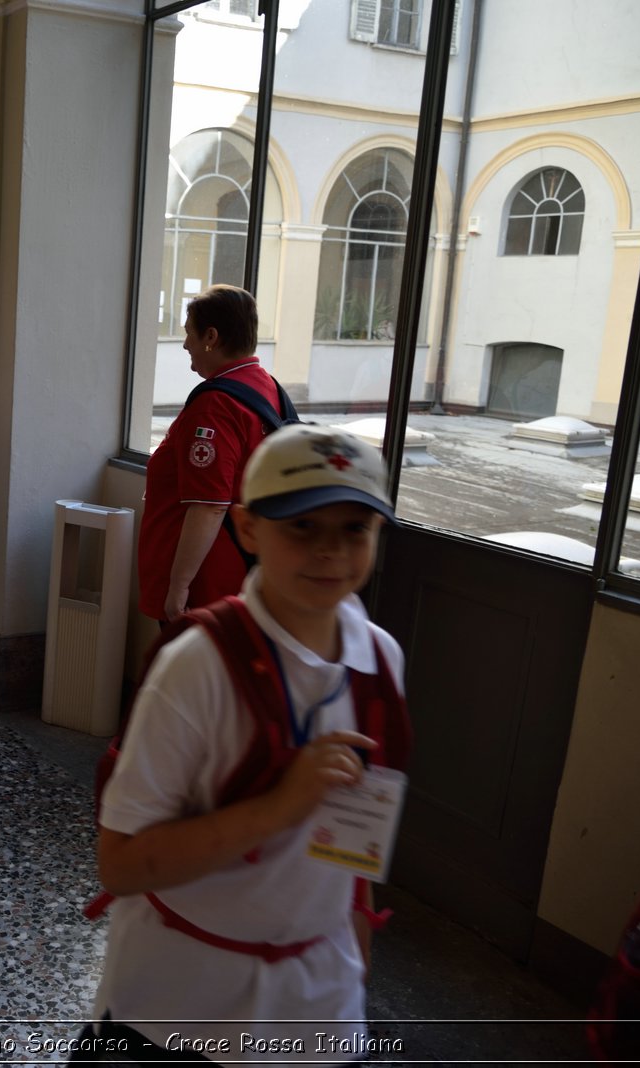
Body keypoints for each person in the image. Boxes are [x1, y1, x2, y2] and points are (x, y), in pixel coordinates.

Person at [83, 423, 409, 1062]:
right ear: (249, 527)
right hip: (174, 1007)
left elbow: (355, 830)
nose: (330, 552)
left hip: (318, 1007)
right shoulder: (198, 665)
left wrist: (355, 961)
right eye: (302, 527)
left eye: (355, 529)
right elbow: (120, 865)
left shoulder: (380, 659)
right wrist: (278, 808)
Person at [137, 284, 282, 628]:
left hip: (207, 583)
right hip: (241, 572)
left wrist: (178, 586)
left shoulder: (215, 407)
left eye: (189, 333)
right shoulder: (267, 387)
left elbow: (210, 505)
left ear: (211, 337)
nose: (186, 344)